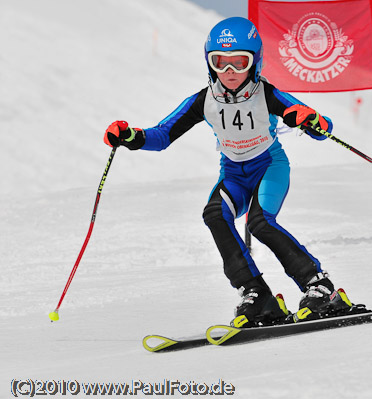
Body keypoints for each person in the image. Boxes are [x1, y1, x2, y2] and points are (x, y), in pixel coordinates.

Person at [103, 17, 352, 328]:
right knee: (215, 215)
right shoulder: (203, 100)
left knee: (260, 223)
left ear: (255, 63)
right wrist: (132, 137)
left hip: (269, 167)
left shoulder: (267, 94)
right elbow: (162, 135)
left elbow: (321, 127)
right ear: (210, 64)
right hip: (233, 174)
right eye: (220, 62)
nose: (230, 72)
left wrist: (310, 120)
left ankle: (320, 287)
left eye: (239, 62)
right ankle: (257, 295)